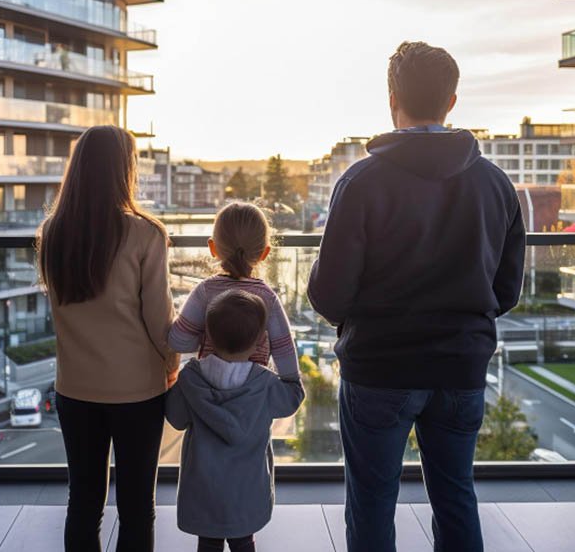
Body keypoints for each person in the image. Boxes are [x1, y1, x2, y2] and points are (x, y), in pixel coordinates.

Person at [307, 41, 526, 552]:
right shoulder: (496, 185)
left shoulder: (360, 183)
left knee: (372, 501)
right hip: (460, 367)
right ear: (452, 102)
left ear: (391, 99)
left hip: (380, 369)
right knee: (455, 497)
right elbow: (506, 290)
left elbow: (330, 294)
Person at [37, 125, 178, 552]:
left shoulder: (53, 233)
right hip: (136, 391)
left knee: (83, 502)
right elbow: (160, 320)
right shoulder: (145, 233)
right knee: (137, 507)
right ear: (124, 170)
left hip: (75, 389)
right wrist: (172, 365)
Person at [166, 289, 305, 552]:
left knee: (208, 543)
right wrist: (286, 366)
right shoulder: (264, 385)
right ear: (259, 343)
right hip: (246, 491)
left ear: (207, 336)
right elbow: (293, 398)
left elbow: (175, 417)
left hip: (204, 490)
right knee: (244, 543)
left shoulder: (191, 380)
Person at [168, 201, 300, 380]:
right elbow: (285, 354)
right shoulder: (268, 297)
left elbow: (179, 342)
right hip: (253, 395)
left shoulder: (206, 291)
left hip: (208, 392)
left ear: (212, 248)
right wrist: (293, 390)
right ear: (265, 253)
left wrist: (206, 335)